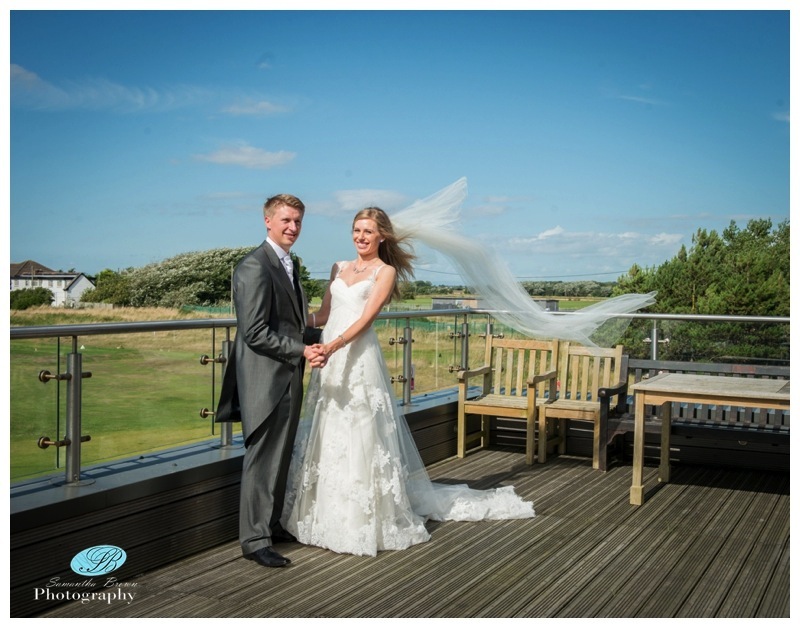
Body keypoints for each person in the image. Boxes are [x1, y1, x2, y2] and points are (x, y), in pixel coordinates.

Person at [280, 206, 536, 557]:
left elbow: (366, 320)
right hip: (329, 357)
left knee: (361, 429)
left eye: (368, 231)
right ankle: (325, 513)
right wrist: (290, 323)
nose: (361, 237)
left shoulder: (385, 272)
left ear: (381, 236)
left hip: (356, 356)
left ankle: (361, 520)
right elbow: (324, 314)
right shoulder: (338, 267)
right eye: (356, 230)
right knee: (331, 427)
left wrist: (333, 346)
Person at [216, 193, 325, 568]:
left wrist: (329, 338)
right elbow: (255, 333)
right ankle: (254, 541)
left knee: (280, 456)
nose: (293, 227)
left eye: (298, 221)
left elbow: (290, 323)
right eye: (286, 220)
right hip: (264, 379)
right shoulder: (254, 266)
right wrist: (302, 350)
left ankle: (272, 525)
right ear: (267, 221)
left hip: (288, 376)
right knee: (262, 460)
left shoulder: (288, 264)